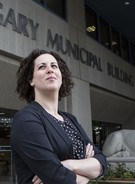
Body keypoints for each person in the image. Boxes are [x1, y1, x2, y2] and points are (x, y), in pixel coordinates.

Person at [11, 49, 107, 184]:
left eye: (54, 66)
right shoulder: (26, 118)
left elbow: (102, 162)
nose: (50, 70)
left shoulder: (70, 119)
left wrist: (69, 165)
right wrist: (86, 174)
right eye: (42, 67)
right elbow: (55, 176)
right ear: (31, 80)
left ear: (62, 78)